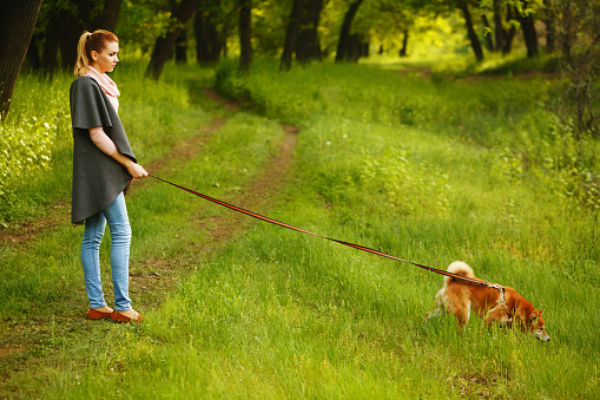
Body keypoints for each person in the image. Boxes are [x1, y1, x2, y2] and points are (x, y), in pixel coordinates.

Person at [70, 30, 147, 322]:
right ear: (94, 54)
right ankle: (123, 307)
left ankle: (97, 305)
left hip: (100, 169)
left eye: (116, 53)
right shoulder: (87, 84)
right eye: (111, 53)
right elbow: (96, 135)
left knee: (93, 236)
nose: (116, 58)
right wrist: (127, 163)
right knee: (122, 232)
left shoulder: (99, 83)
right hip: (99, 170)